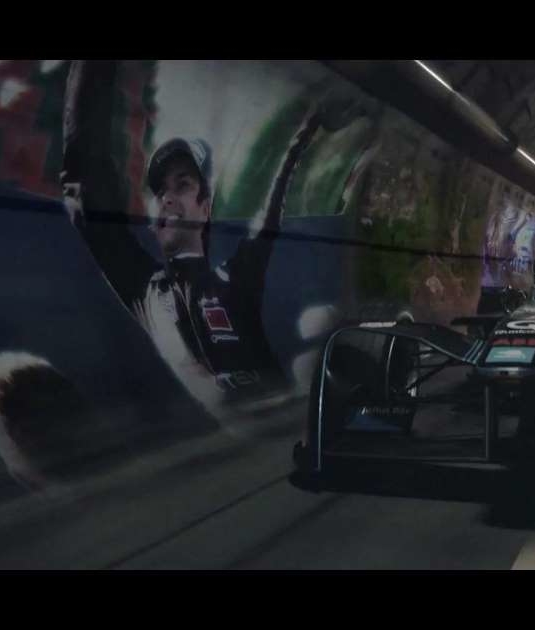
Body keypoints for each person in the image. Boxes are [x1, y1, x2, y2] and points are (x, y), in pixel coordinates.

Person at [60, 60, 369, 421]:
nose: (167, 198)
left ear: (205, 207)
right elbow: (84, 192)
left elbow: (271, 207)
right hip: (230, 440)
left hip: (279, 426)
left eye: (182, 185)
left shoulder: (234, 278)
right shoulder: (146, 291)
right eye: (160, 192)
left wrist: (309, 127)